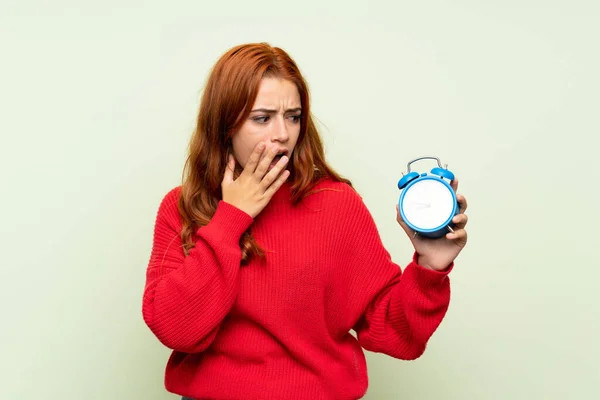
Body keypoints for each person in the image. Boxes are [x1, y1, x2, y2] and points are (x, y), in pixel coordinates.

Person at [141, 42, 469, 400]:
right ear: (225, 126)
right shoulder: (182, 207)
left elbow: (394, 332)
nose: (282, 133)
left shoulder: (336, 204)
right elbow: (176, 329)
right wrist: (231, 218)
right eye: (262, 118)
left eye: (293, 116)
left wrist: (430, 268)